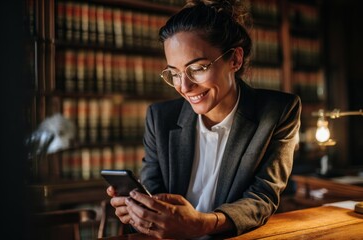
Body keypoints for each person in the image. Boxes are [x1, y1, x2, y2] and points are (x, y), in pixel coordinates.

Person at [106, 0, 301, 238]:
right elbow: (154, 192)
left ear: (235, 60)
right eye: (174, 73)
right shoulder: (160, 118)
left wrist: (204, 223)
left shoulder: (278, 112)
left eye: (197, 68)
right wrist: (141, 214)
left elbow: (262, 198)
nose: (184, 86)